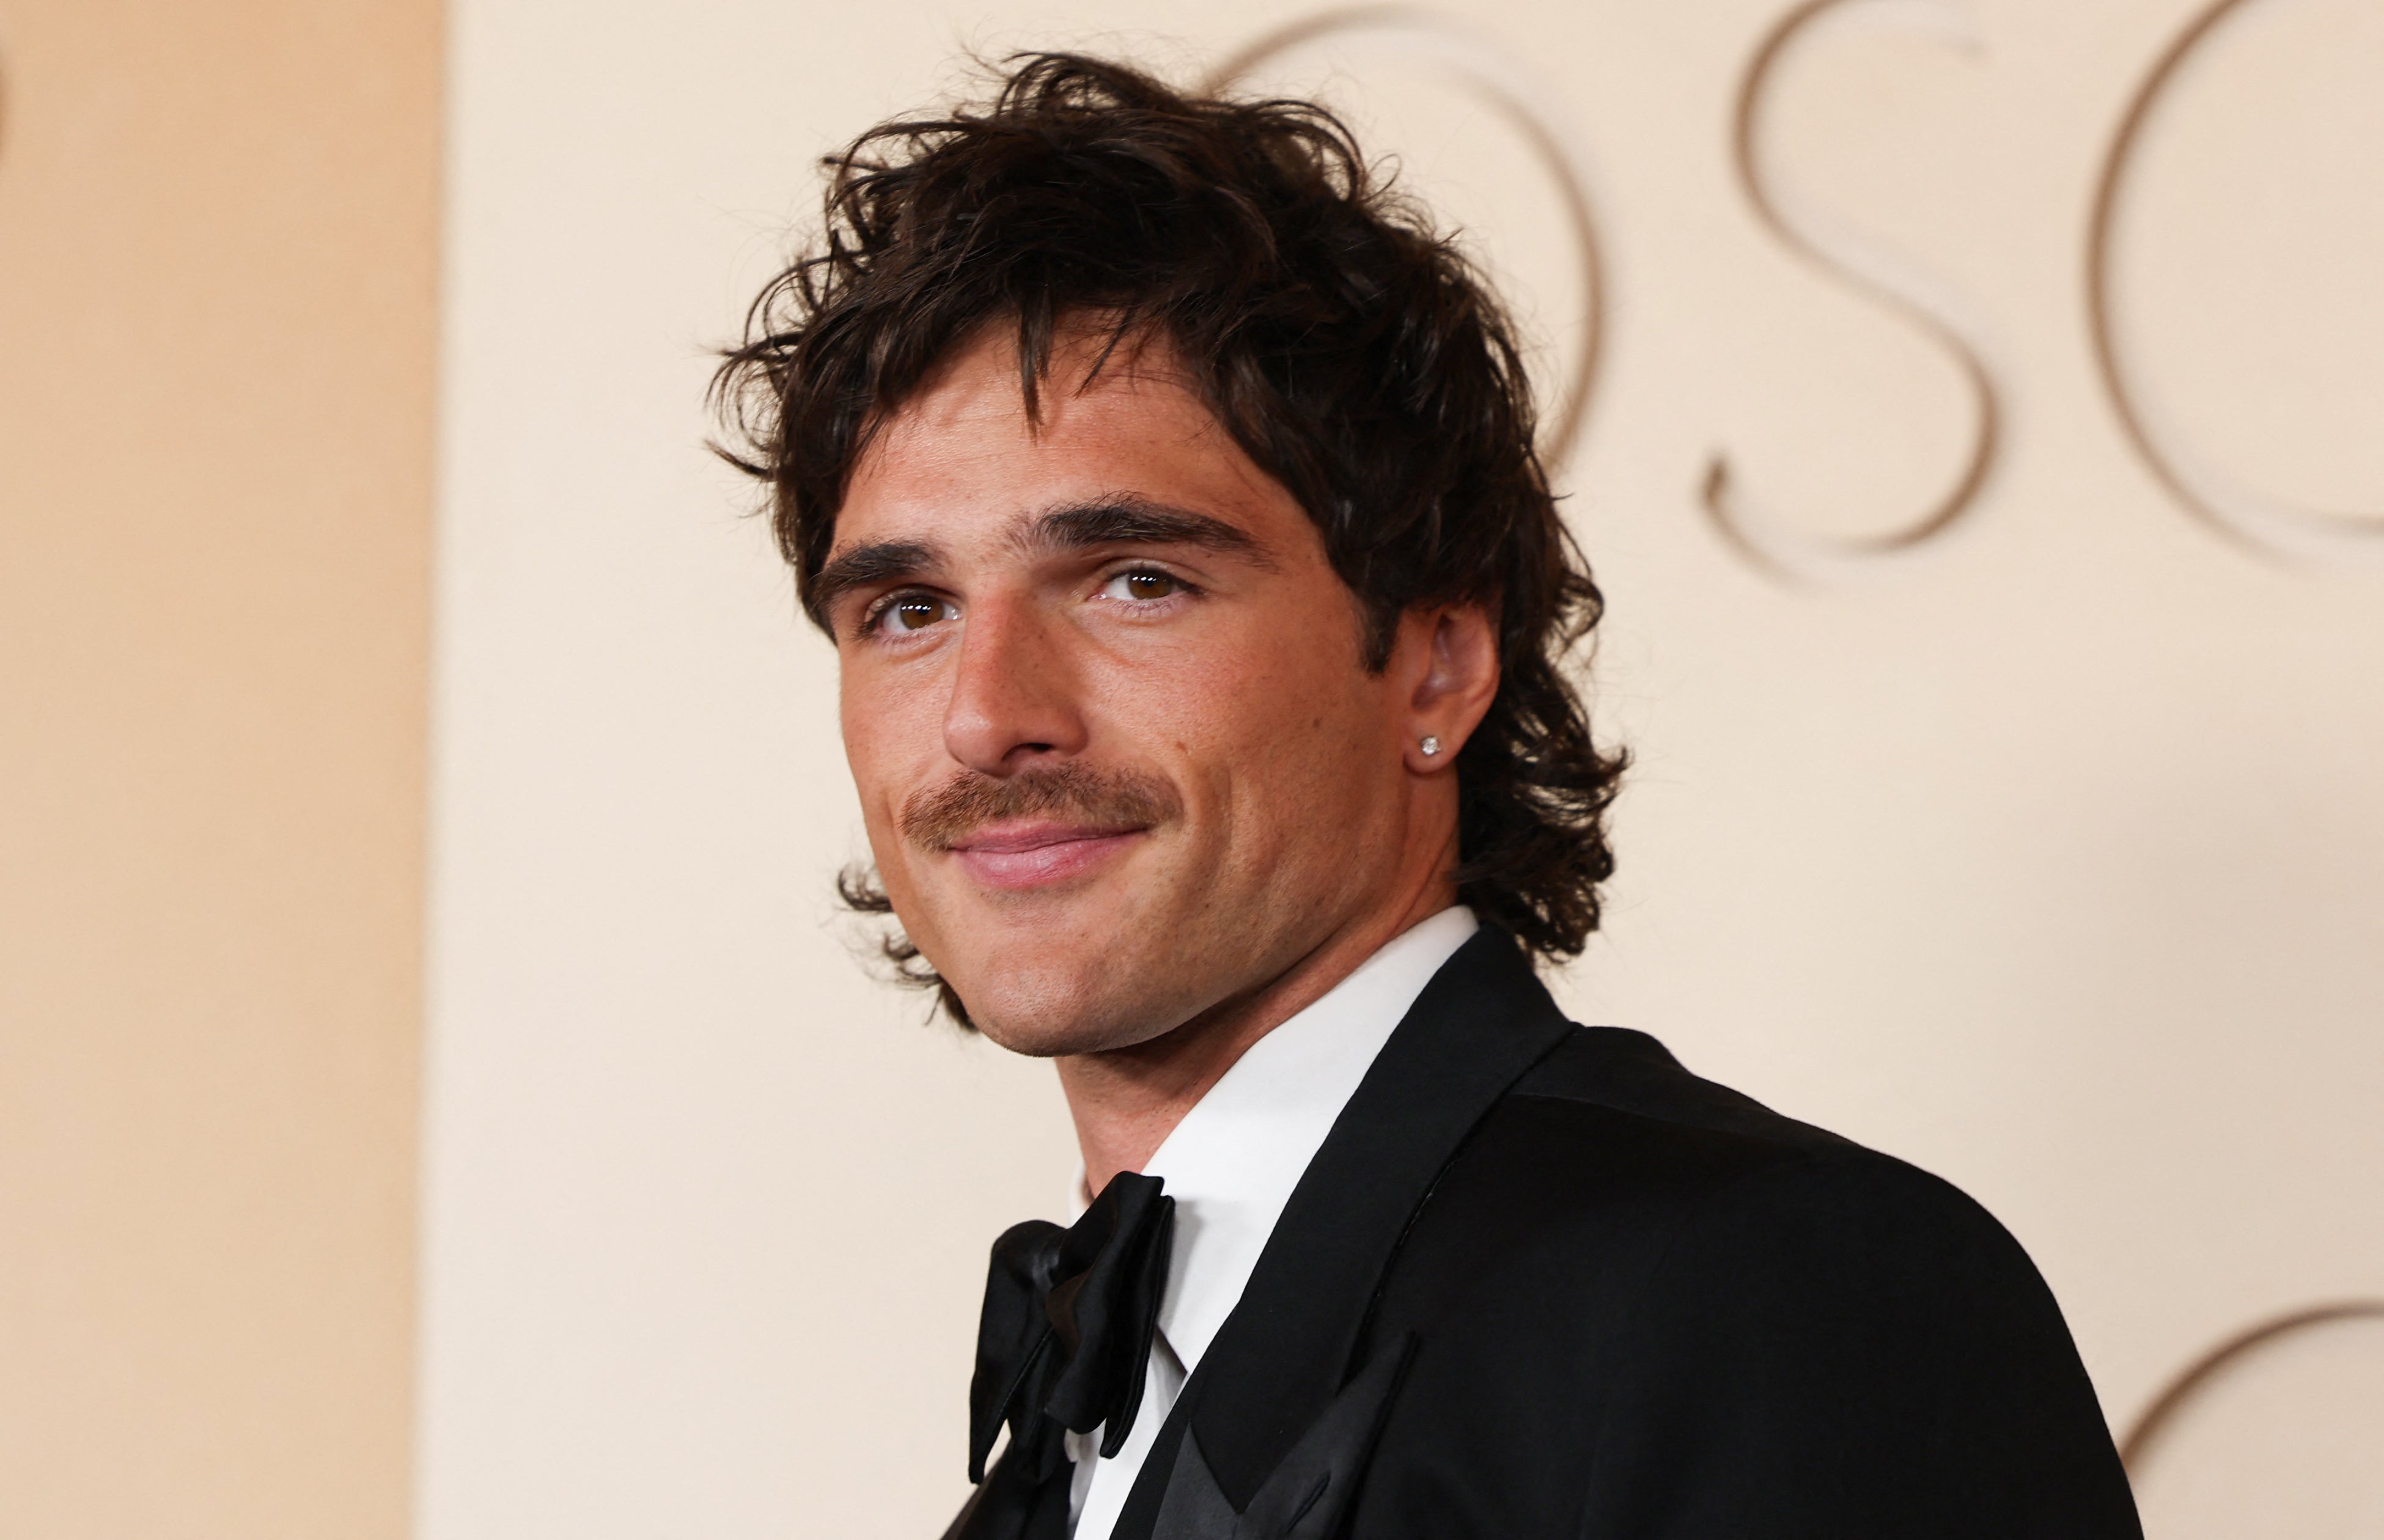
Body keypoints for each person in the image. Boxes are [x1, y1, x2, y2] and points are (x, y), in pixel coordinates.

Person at [713, 51, 2142, 1540]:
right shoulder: (1069, 1425)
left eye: (1137, 580)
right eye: (908, 610)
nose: (987, 714)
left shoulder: (1780, 1292)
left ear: (1438, 666)